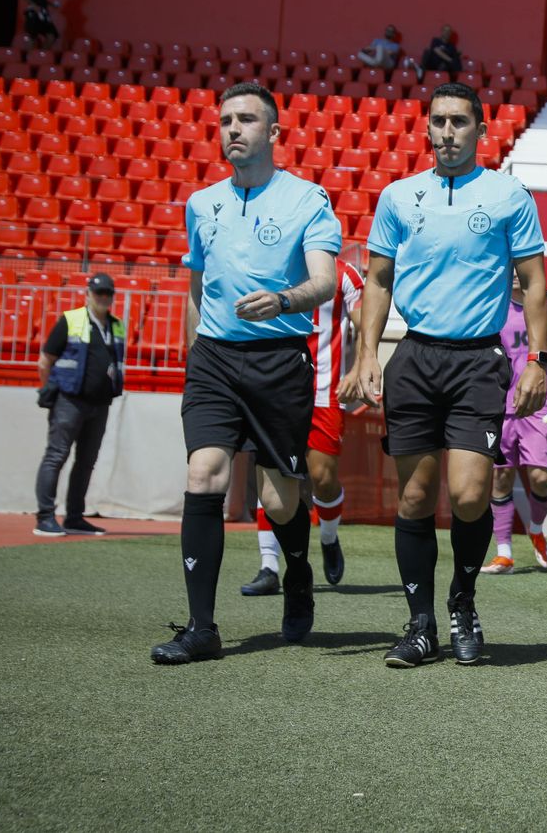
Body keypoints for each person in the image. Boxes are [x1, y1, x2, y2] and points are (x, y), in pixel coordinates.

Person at [342, 82, 547, 669]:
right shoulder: (398, 197)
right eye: (439, 122)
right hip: (415, 358)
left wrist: (535, 359)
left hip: (480, 361)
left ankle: (463, 600)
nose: (448, 132)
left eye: (460, 122)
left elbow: (533, 282)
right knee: (413, 497)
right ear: (427, 130)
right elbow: (377, 281)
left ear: (481, 131)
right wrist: (365, 357)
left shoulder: (510, 195)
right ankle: (419, 624)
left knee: (468, 493)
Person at [151, 83, 342, 665]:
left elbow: (325, 282)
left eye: (247, 120)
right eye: (226, 120)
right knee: (204, 472)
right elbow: (195, 286)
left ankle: (299, 570)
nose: (233, 129)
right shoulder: (201, 203)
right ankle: (202, 628)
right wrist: (194, 354)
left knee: (278, 499)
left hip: (279, 361)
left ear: (274, 133)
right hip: (213, 361)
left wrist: (284, 301)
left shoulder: (308, 199)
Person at [242, 257, 363, 595]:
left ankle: (328, 537)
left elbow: (364, 322)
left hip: (324, 391)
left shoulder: (345, 274)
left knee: (322, 478)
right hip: (277, 386)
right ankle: (268, 565)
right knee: (271, 470)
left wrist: (357, 367)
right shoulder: (274, 262)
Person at [484, 271, 547, 574]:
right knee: (500, 478)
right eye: (507, 267)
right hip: (499, 407)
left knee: (539, 478)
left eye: (517, 268)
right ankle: (504, 553)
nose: (512, 274)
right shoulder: (493, 307)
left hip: (538, 407)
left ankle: (536, 529)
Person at [33, 272, 124, 537]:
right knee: (56, 456)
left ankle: (74, 517)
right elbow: (45, 360)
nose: (103, 298)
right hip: (69, 401)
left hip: (99, 404)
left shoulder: (116, 325)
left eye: (108, 293)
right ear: (88, 294)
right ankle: (45, 517)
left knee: (86, 462)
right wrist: (49, 388)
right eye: (99, 293)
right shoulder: (70, 319)